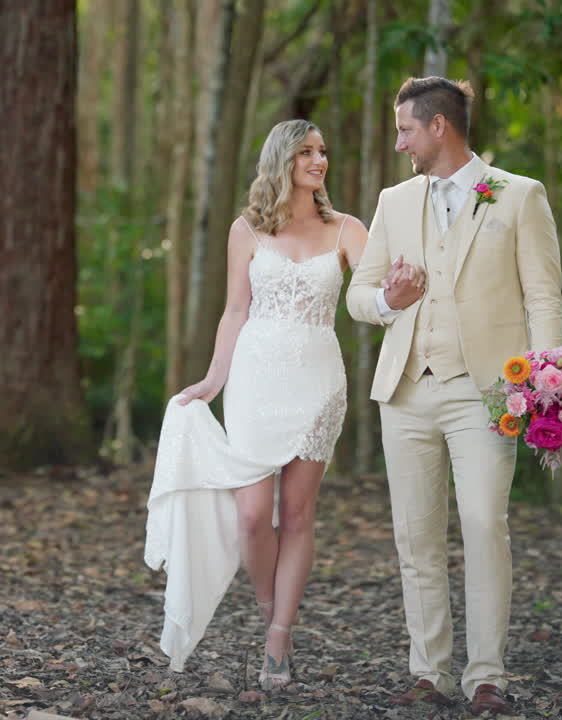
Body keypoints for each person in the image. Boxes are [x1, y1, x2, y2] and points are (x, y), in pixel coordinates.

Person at [346, 77, 562, 715]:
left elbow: (543, 296)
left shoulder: (518, 195)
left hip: (488, 393)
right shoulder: (394, 200)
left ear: (440, 126)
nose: (398, 142)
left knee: (483, 524)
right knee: (416, 536)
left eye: (405, 130)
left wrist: (546, 384)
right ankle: (429, 671)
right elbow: (358, 296)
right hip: (406, 389)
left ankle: (486, 676)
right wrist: (391, 300)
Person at [145, 119, 368, 690]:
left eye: (323, 151)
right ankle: (272, 608)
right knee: (251, 515)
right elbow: (235, 311)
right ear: (283, 161)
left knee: (295, 513)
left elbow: (375, 296)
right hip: (253, 378)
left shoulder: (347, 228)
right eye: (308, 152)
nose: (320, 161)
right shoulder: (246, 229)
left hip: (318, 379)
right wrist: (213, 381)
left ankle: (279, 634)